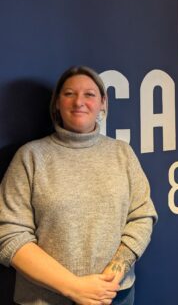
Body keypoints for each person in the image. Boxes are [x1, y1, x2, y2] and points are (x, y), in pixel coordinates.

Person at [0, 66, 157, 305]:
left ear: (103, 103)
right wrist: (74, 288)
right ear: (57, 103)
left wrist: (112, 275)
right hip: (45, 299)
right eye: (69, 94)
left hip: (113, 295)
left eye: (89, 94)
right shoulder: (30, 157)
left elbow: (142, 215)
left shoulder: (122, 153)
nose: (79, 102)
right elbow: (9, 234)